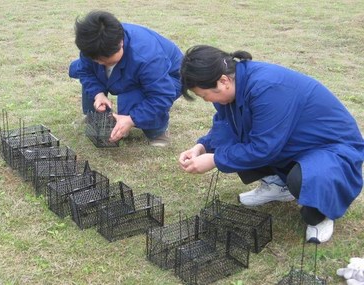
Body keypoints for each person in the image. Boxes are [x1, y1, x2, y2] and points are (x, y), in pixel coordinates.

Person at [178, 45, 364, 244]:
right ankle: (277, 185)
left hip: (331, 148)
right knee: (241, 137)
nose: (207, 101)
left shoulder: (267, 87)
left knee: (304, 177)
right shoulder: (232, 87)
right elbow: (226, 125)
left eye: (205, 95)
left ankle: (321, 214)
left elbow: (263, 148)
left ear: (223, 81)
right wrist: (203, 147)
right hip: (291, 141)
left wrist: (215, 159)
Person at [69, 10, 183, 147]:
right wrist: (98, 94)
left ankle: (158, 131)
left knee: (130, 96)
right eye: (96, 59)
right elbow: (85, 71)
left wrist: (131, 119)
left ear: (120, 43)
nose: (100, 63)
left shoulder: (147, 57)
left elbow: (161, 95)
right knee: (84, 69)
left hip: (170, 79)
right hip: (138, 70)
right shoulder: (92, 44)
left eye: (105, 60)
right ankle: (97, 118)